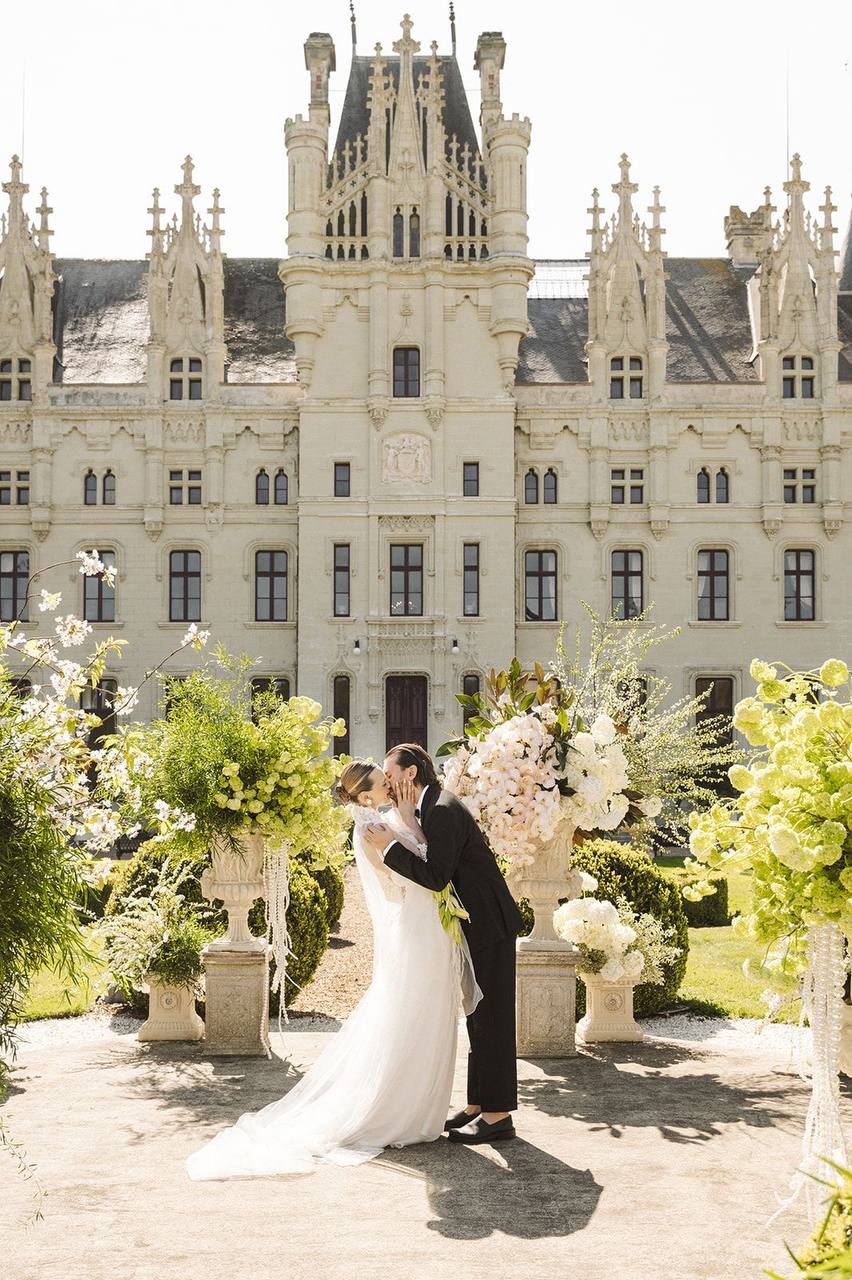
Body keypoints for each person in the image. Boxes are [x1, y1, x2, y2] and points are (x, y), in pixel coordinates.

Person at [185, 760, 475, 1179]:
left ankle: (421, 1111)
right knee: (416, 1011)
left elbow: (433, 860)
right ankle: (400, 1111)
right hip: (417, 925)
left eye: (386, 778)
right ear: (363, 797)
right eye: (380, 784)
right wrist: (407, 827)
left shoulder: (395, 814)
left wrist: (409, 820)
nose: (389, 786)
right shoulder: (373, 828)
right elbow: (401, 882)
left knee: (429, 1012)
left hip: (431, 924)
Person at [363, 742, 525, 1146]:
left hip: (489, 924)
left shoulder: (441, 810)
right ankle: (476, 1105)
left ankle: (498, 1115)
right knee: (476, 1013)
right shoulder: (428, 807)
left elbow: (435, 876)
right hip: (474, 924)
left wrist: (389, 848)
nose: (386, 780)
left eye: (390, 773)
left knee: (492, 1016)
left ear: (410, 774)